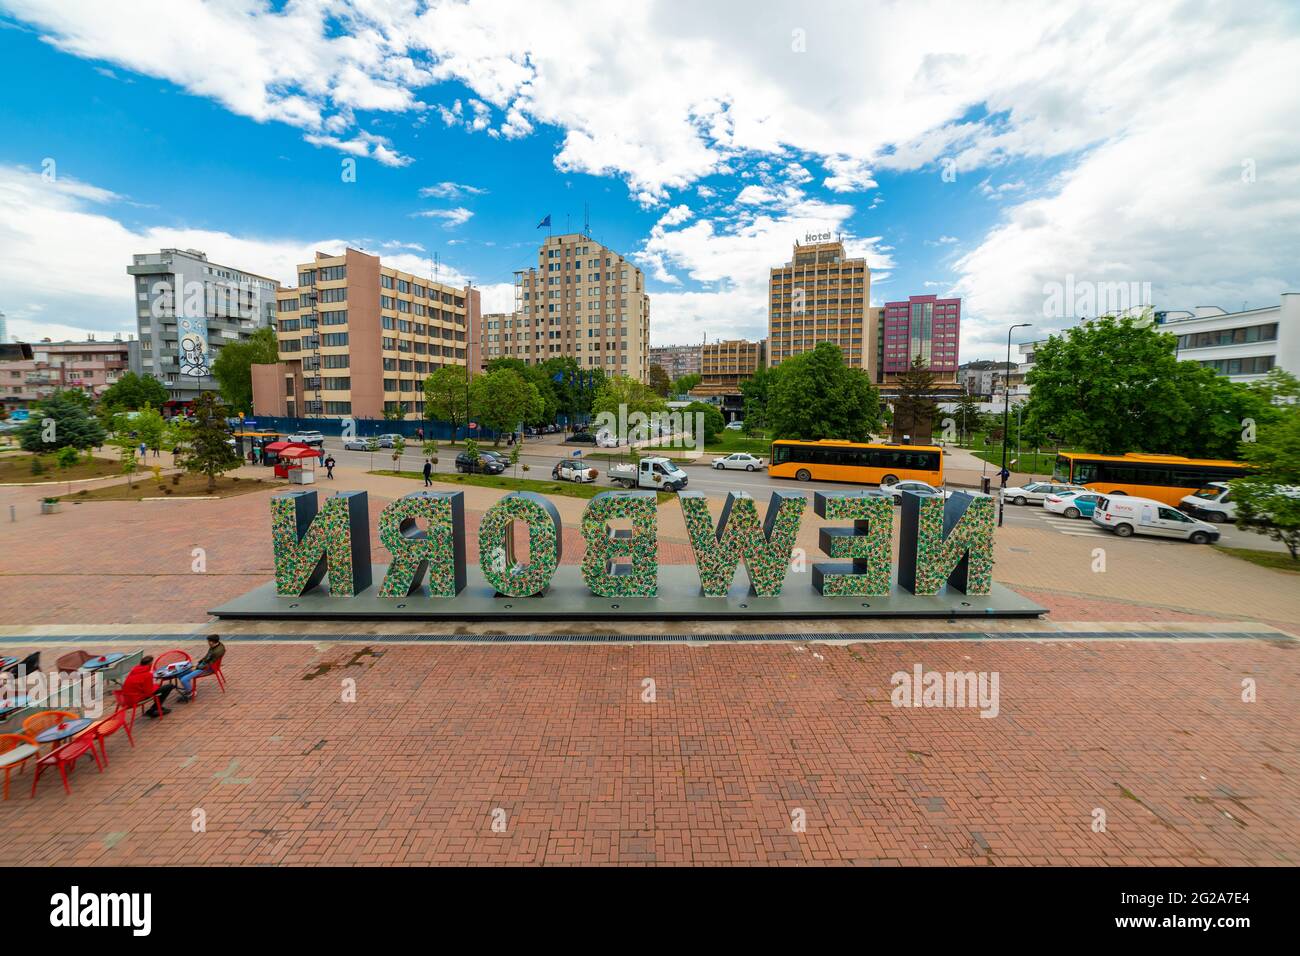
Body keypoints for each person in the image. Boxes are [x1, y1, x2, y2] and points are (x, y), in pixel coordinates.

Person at [175, 636, 225, 703]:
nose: (208, 643)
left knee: (184, 679)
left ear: (212, 642)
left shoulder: (216, 652)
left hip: (206, 669)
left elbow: (209, 664)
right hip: (204, 665)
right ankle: (188, 688)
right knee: (180, 674)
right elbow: (207, 658)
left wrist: (198, 667)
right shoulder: (218, 645)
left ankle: (191, 693)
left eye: (208, 641)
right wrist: (199, 664)